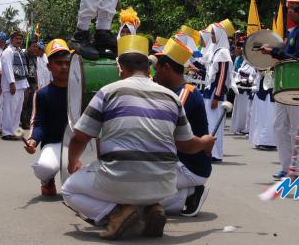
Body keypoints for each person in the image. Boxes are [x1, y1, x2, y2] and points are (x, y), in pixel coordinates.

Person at [61, 34, 215, 240]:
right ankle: (150, 209)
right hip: (163, 186)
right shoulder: (171, 97)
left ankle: (117, 214)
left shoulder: (107, 92)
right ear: (147, 68)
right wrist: (204, 142)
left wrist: (72, 162)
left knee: (69, 190)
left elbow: (80, 137)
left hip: (121, 179)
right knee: (140, 186)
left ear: (120, 69)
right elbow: (186, 145)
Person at [153, 36, 211, 217]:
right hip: (176, 161)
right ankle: (186, 195)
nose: (154, 75)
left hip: (188, 166)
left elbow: (165, 132)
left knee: (136, 195)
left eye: (157, 70)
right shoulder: (172, 92)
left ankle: (190, 191)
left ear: (166, 68)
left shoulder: (185, 94)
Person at [261, 0, 299, 179]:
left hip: (298, 85)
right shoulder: (293, 32)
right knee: (279, 125)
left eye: (294, 8)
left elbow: (298, 59)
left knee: (298, 128)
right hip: (285, 84)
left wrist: (274, 52)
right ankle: (286, 166)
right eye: (289, 8)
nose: (289, 11)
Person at [25, 39, 71, 196]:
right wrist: (33, 140)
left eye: (67, 62)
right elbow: (38, 123)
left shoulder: (82, 91)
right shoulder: (42, 94)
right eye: (59, 63)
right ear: (49, 66)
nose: (64, 67)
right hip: (54, 143)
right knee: (44, 168)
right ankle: (47, 180)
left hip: (79, 146)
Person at [202, 19, 234, 162]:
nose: (212, 37)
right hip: (211, 92)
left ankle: (215, 153)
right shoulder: (217, 51)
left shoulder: (223, 53)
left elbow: (221, 76)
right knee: (209, 123)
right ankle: (210, 152)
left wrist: (217, 96)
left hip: (216, 93)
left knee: (215, 124)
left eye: (214, 34)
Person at [1, 29, 29, 140]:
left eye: (20, 39)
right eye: (16, 38)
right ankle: (6, 132)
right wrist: (12, 83)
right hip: (12, 86)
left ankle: (14, 130)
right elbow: (7, 68)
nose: (19, 40)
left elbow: (23, 69)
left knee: (17, 110)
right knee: (9, 110)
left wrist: (25, 84)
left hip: (21, 85)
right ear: (11, 39)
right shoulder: (8, 52)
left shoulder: (20, 51)